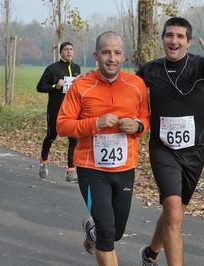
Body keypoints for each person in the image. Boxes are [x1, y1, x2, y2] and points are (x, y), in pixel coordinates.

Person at [136, 18, 204, 266]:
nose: (174, 40)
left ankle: (150, 253)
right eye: (169, 35)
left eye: (180, 36)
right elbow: (126, 90)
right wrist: (94, 78)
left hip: (195, 151)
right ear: (163, 40)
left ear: (189, 41)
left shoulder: (202, 66)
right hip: (163, 150)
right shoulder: (151, 70)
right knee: (172, 212)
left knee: (176, 214)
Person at [56, 31, 150, 266]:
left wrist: (138, 126)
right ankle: (99, 232)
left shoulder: (137, 84)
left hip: (125, 166)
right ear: (96, 55)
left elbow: (145, 119)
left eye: (117, 53)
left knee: (116, 231)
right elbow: (62, 125)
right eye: (106, 52)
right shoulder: (81, 86)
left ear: (124, 56)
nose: (112, 58)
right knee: (108, 234)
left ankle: (92, 230)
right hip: (91, 169)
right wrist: (95, 123)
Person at [36, 41, 81, 182]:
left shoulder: (76, 68)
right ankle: (44, 162)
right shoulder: (52, 69)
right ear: (61, 52)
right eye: (66, 49)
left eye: (71, 49)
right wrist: (56, 85)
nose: (69, 52)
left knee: (74, 140)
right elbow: (40, 87)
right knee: (50, 137)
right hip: (55, 110)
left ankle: (71, 171)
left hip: (72, 111)